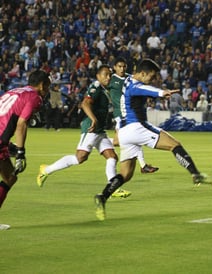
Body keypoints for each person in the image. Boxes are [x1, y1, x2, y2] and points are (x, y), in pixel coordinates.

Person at [94, 59, 208, 221]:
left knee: (125, 174)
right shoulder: (135, 84)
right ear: (142, 73)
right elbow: (143, 88)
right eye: (151, 77)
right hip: (137, 127)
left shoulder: (126, 80)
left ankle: (102, 196)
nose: (152, 80)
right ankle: (195, 174)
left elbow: (142, 88)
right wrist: (162, 92)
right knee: (174, 145)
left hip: (125, 132)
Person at [36, 65, 125, 199]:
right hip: (91, 127)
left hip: (99, 130)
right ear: (98, 76)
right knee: (80, 157)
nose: (108, 77)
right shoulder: (96, 86)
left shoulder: (106, 90)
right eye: (105, 75)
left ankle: (112, 188)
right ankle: (46, 170)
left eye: (109, 75)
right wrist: (93, 119)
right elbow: (84, 103)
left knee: (112, 156)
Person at [0, 70, 51, 230]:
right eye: (48, 86)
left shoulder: (14, 90)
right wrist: (21, 152)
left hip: (2, 142)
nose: (48, 91)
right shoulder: (35, 97)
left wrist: (10, 146)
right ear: (42, 85)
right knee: (9, 177)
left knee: (10, 178)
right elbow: (22, 123)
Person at [109, 57, 159, 177]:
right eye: (119, 66)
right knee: (118, 141)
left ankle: (143, 165)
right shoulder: (111, 79)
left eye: (124, 66)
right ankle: (100, 141)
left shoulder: (129, 78)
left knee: (134, 137)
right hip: (119, 114)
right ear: (115, 67)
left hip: (130, 113)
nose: (122, 69)